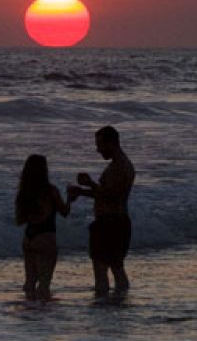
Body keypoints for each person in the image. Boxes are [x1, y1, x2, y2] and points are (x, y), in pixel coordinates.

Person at [68, 125, 135, 297]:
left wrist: (90, 183)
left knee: (100, 268)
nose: (98, 149)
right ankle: (120, 300)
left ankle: (103, 306)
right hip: (118, 221)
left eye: (100, 144)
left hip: (109, 223)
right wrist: (82, 192)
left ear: (111, 142)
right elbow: (107, 194)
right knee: (116, 266)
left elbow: (113, 197)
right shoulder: (121, 164)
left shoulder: (120, 166)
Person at [15, 154, 69, 300]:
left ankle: (30, 313)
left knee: (29, 283)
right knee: (44, 284)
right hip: (45, 237)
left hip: (28, 238)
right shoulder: (50, 191)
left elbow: (19, 220)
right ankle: (42, 319)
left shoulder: (23, 193)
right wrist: (70, 198)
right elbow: (64, 212)